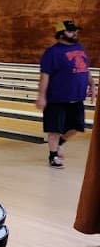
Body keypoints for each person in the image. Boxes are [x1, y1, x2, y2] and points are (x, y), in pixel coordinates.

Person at [36, 19, 96, 168]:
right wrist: (41, 96)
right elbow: (45, 76)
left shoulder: (80, 48)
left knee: (77, 127)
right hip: (56, 98)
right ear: (61, 34)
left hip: (76, 97)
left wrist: (92, 84)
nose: (75, 33)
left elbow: (85, 69)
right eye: (71, 31)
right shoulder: (52, 53)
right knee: (55, 129)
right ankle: (53, 156)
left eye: (75, 30)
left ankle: (61, 143)